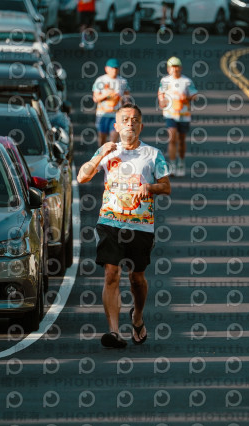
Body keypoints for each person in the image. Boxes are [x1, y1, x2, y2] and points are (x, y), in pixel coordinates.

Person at [77, 103, 171, 349]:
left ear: (141, 126)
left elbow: (166, 186)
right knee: (111, 273)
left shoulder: (153, 154)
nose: (130, 123)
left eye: (135, 120)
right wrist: (100, 154)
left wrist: (149, 187)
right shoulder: (108, 151)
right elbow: (82, 176)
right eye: (125, 120)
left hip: (141, 224)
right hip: (110, 221)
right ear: (116, 126)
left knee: (136, 277)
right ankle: (114, 331)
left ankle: (137, 317)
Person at [157, 56, 198, 177]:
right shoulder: (165, 81)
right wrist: (161, 101)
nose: (175, 69)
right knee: (172, 138)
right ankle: (172, 164)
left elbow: (195, 95)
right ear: (168, 69)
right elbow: (161, 93)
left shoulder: (187, 81)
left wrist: (187, 98)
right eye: (172, 67)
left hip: (184, 115)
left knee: (181, 140)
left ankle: (181, 162)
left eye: (177, 67)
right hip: (170, 114)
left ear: (181, 68)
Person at [92, 58, 131, 147]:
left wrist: (127, 107)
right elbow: (95, 98)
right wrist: (107, 94)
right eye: (112, 68)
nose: (114, 70)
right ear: (106, 69)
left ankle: (111, 155)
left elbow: (126, 97)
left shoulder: (122, 81)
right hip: (102, 114)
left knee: (113, 140)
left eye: (116, 68)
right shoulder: (100, 81)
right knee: (102, 139)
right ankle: (102, 155)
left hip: (116, 115)